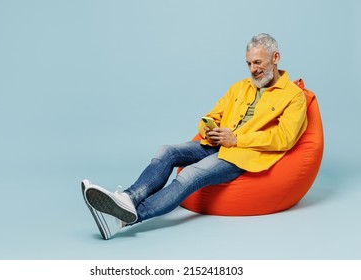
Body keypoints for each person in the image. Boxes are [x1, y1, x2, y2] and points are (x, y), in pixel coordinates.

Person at [81, 33, 308, 240]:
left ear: (276, 57)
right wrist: (209, 128)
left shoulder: (293, 97)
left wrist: (237, 140)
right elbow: (212, 115)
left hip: (243, 154)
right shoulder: (240, 88)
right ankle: (127, 199)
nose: (253, 69)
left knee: (190, 175)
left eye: (258, 62)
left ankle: (125, 218)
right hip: (216, 143)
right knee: (167, 151)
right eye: (248, 63)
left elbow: (284, 138)